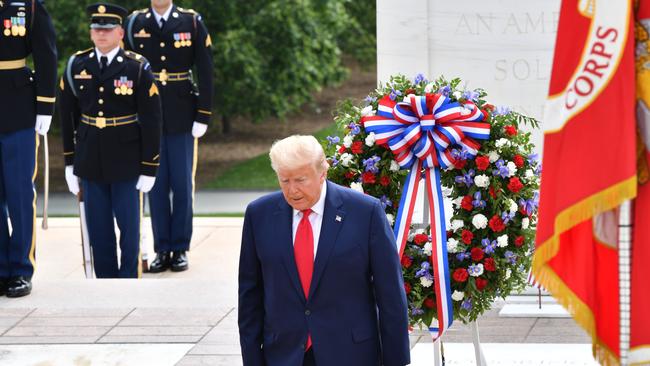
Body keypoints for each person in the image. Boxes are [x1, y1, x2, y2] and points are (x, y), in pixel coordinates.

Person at [238, 135, 411, 366]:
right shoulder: (259, 215)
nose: (292, 190)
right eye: (284, 180)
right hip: (283, 354)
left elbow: (390, 295)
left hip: (351, 354)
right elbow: (250, 295)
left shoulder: (365, 213)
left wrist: (396, 360)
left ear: (323, 173)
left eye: (300, 180)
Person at [58, 3, 162, 278]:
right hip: (91, 159)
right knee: (99, 230)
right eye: (96, 29)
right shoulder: (76, 65)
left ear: (120, 33)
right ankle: (105, 284)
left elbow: (152, 119)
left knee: (129, 231)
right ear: (91, 33)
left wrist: (150, 166)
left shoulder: (137, 67)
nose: (101, 34)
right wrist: (69, 163)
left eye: (107, 29)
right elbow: (67, 117)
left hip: (127, 160)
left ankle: (128, 283)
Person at [124, 0, 214, 273]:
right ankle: (162, 248)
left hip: (182, 112)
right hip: (147, 115)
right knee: (157, 184)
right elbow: (126, 71)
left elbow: (206, 68)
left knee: (182, 184)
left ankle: (180, 247)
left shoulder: (191, 21)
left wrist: (204, 113)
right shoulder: (134, 22)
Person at [0, 0, 57, 298]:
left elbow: (46, 53)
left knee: (20, 194)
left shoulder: (29, 5)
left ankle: (21, 268)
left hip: (18, 109)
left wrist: (45, 106)